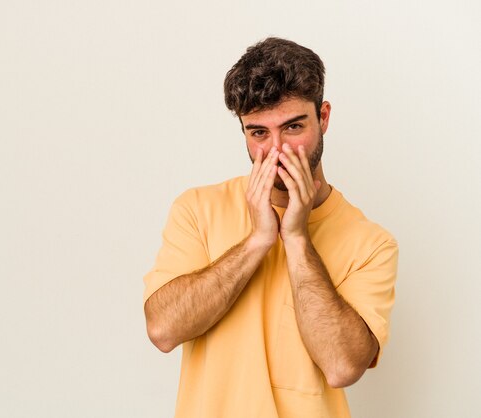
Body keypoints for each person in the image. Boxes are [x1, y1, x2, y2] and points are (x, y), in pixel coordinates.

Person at [142, 37, 398, 418]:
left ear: (323, 117)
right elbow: (163, 330)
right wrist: (258, 240)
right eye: (259, 132)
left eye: (293, 127)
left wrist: (296, 238)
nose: (276, 151)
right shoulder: (196, 209)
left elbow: (343, 366)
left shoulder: (371, 244)